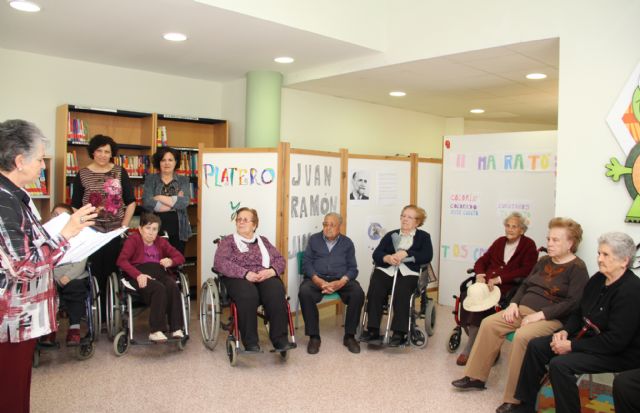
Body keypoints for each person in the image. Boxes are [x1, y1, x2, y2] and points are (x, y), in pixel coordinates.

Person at [0, 119, 96, 413]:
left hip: (21, 314)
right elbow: (23, 265)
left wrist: (64, 231)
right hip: (9, 319)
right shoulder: (4, 201)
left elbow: (31, 240)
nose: (43, 165)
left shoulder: (18, 195)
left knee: (18, 386)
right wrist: (67, 235)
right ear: (19, 161)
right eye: (40, 158)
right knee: (10, 390)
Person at [451, 217, 589, 413]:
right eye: (549, 239)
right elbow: (525, 284)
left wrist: (541, 315)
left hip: (551, 318)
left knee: (523, 337)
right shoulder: (543, 261)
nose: (549, 243)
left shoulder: (578, 268)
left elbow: (574, 303)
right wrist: (514, 304)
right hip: (522, 310)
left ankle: (514, 398)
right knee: (489, 323)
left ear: (571, 243)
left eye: (555, 240)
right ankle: (475, 377)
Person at [510, 232, 640, 413]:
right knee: (536, 346)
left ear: (624, 261)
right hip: (588, 339)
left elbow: (615, 341)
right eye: (599, 253)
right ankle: (525, 405)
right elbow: (579, 311)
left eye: (605, 255)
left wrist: (571, 345)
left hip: (618, 352)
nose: (599, 259)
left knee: (560, 365)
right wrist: (565, 331)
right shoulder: (598, 279)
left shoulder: (632, 291)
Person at [456, 212, 538, 365]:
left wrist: (500, 279)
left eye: (515, 227)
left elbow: (527, 270)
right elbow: (482, 260)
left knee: (483, 306)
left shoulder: (528, 245)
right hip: (486, 283)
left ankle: (469, 348)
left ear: (522, 230)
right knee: (468, 294)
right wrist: (480, 274)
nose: (510, 229)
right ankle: (476, 340)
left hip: (507, 287)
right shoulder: (500, 242)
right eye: (508, 226)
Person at [72, 134, 136, 320]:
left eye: (107, 151)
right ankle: (95, 314)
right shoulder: (82, 174)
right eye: (99, 150)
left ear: (112, 154)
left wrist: (123, 226)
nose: (102, 154)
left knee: (113, 272)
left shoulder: (119, 171)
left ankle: (112, 314)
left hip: (114, 231)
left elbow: (130, 202)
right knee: (94, 272)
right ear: (93, 151)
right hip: (91, 232)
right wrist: (85, 224)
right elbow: (76, 204)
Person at [213, 207, 294, 351]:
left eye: (245, 220)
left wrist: (271, 271)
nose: (241, 222)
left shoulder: (263, 241)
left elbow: (280, 260)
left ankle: (280, 340)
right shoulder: (228, 241)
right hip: (238, 278)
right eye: (239, 219)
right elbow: (220, 263)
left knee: (276, 291)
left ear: (254, 225)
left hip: (263, 275)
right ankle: (251, 343)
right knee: (248, 295)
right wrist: (245, 273)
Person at [360, 205, 433, 346]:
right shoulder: (391, 235)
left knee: (402, 291)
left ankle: (400, 332)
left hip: (409, 272)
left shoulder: (423, 237)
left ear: (417, 222)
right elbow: (377, 254)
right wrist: (387, 257)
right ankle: (373, 329)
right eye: (403, 216)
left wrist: (407, 253)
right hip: (389, 270)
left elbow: (427, 256)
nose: (405, 219)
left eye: (409, 217)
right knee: (376, 287)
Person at [299, 212, 364, 354]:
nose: (328, 228)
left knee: (358, 293)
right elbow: (307, 264)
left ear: (339, 226)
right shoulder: (314, 240)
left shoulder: (347, 243)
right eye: (325, 224)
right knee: (304, 292)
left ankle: (350, 336)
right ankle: (314, 337)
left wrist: (342, 282)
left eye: (332, 225)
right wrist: (317, 279)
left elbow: (353, 268)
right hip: (317, 278)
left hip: (341, 280)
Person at [116, 212, 185, 341]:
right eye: (148, 228)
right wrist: (138, 275)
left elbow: (180, 257)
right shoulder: (133, 240)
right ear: (140, 229)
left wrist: (171, 261)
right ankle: (156, 330)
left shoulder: (161, 242)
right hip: (140, 274)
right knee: (159, 288)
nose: (151, 232)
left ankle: (176, 328)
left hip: (159, 273)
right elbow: (122, 261)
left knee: (172, 286)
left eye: (154, 229)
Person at [49, 204, 91, 346]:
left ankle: (74, 328)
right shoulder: (46, 236)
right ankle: (49, 330)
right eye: (55, 215)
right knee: (46, 291)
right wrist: (55, 277)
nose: (58, 218)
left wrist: (68, 276)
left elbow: (81, 261)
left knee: (76, 287)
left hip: (74, 275)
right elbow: (44, 259)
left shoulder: (79, 235)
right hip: (52, 276)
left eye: (62, 216)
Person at [142, 146, 192, 254]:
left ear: (176, 162)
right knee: (155, 260)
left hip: (178, 227)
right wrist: (173, 202)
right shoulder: (151, 179)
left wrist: (159, 197)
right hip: (154, 227)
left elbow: (184, 202)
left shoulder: (183, 180)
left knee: (175, 260)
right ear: (158, 162)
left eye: (170, 160)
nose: (167, 163)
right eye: (163, 160)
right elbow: (147, 202)